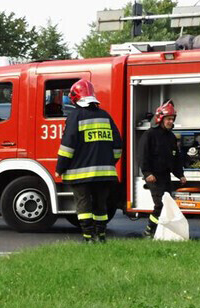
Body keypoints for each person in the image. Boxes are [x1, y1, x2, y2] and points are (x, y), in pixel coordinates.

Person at [55, 79, 122, 243]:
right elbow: (118, 145)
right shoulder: (105, 116)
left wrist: (60, 168)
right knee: (101, 205)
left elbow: (67, 146)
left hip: (80, 174)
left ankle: (88, 237)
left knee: (83, 204)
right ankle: (101, 236)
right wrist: (110, 163)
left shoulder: (75, 116)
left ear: (75, 97)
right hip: (105, 174)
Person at [138, 100, 187, 237]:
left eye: (172, 119)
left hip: (165, 176)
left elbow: (175, 158)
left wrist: (180, 174)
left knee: (167, 205)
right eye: (168, 119)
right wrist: (147, 173)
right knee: (160, 205)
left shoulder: (171, 137)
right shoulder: (150, 135)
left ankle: (160, 232)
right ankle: (149, 230)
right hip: (153, 177)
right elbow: (142, 156)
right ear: (161, 119)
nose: (171, 121)